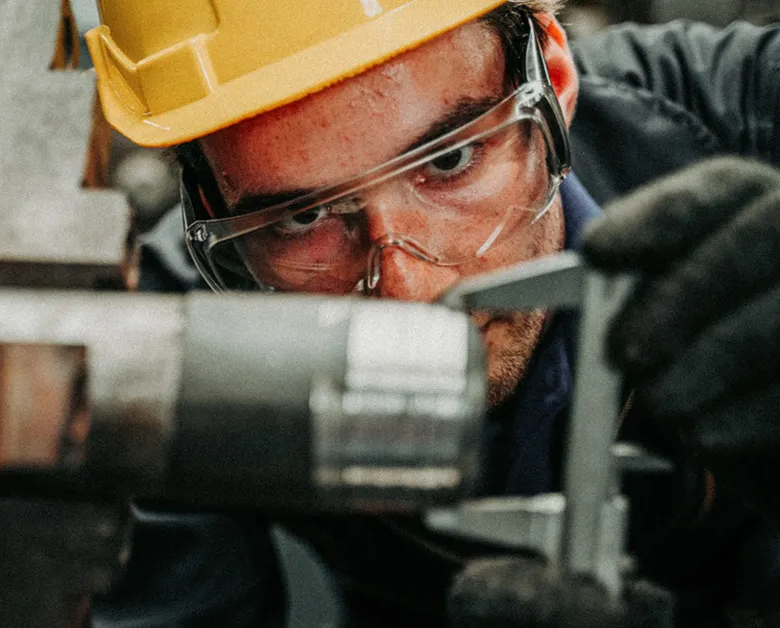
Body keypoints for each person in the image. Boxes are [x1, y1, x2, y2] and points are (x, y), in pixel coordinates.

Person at [75, 1, 780, 626]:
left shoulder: (748, 111)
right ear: (209, 210)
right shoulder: (168, 354)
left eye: (450, 162)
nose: (410, 296)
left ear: (555, 82)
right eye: (306, 217)